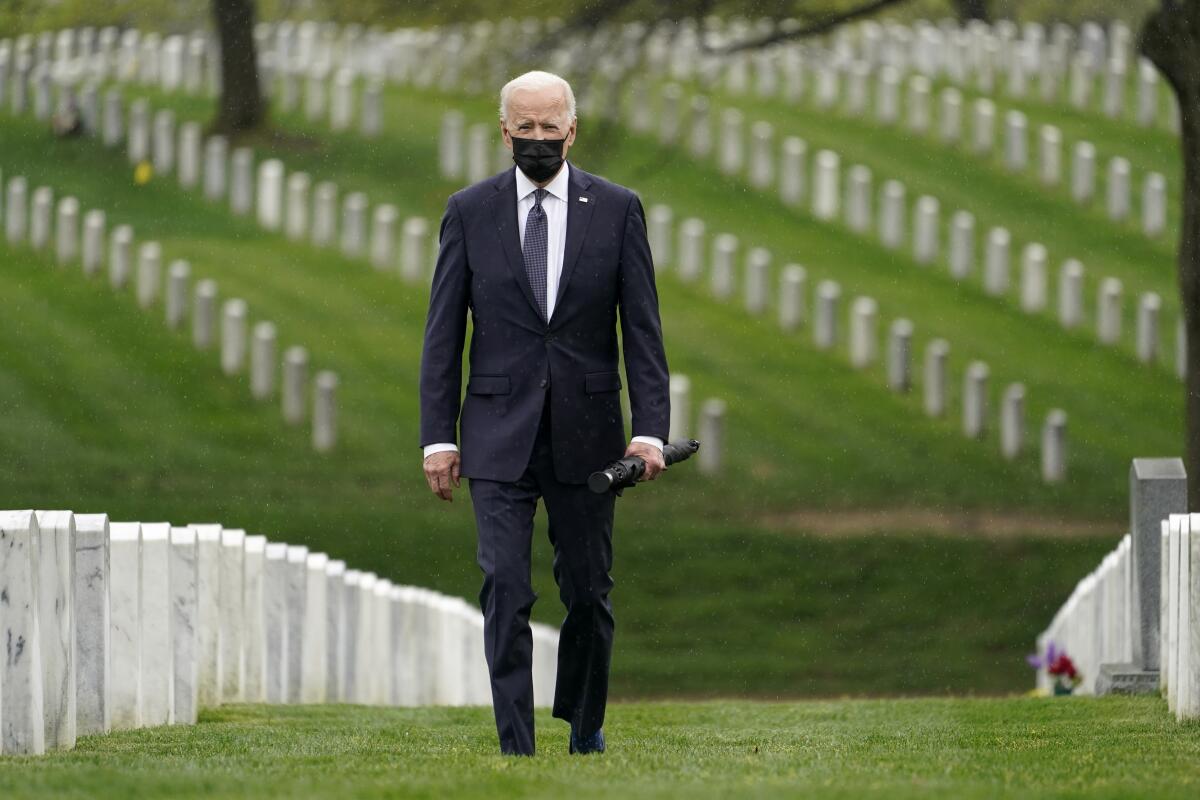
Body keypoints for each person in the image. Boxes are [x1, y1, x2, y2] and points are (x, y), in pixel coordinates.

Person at [419, 70, 670, 756]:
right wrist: (437, 438)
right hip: (498, 434)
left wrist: (649, 432)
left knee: (588, 592)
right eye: (522, 128)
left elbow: (641, 329)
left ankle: (584, 723)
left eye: (548, 127)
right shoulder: (470, 211)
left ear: (572, 129)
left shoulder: (616, 209)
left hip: (587, 438)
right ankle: (515, 744)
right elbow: (444, 334)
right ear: (503, 131)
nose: (536, 139)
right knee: (504, 586)